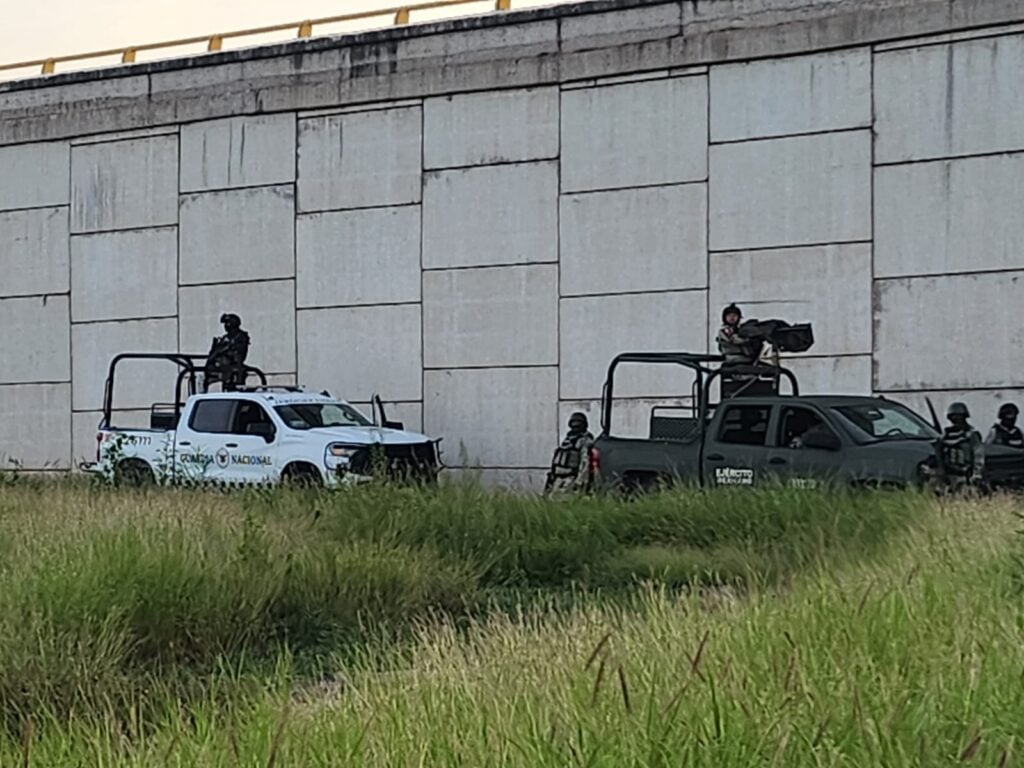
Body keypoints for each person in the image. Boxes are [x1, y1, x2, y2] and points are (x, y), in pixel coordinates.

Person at [935, 402, 985, 494]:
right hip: (948, 475)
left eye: (959, 416)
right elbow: (939, 454)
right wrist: (941, 470)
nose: (956, 419)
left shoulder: (971, 435)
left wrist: (976, 474)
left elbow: (978, 456)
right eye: (953, 417)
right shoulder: (945, 436)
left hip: (966, 475)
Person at [544, 412, 595, 496]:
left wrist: (580, 482)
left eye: (578, 424)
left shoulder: (585, 441)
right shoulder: (567, 440)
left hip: (571, 478)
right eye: (573, 424)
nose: (575, 427)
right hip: (558, 478)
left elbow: (585, 464)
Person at [203, 313, 251, 392]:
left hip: (231, 365)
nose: (225, 326)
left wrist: (225, 348)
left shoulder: (240, 337)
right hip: (220, 366)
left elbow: (238, 354)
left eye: (227, 323)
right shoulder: (225, 337)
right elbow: (214, 353)